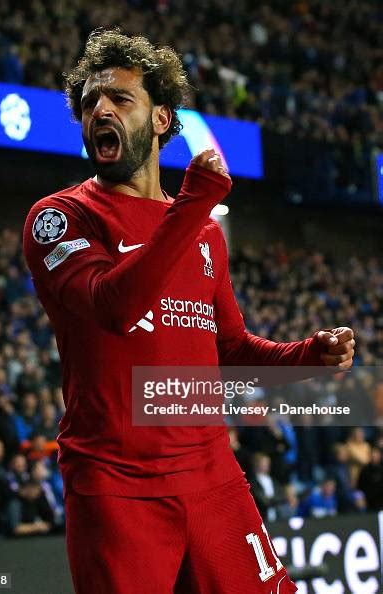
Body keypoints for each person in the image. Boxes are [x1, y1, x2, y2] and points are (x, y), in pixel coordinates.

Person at [23, 28, 355, 594]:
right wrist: (195, 202)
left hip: (211, 477)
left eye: (120, 99)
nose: (99, 109)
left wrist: (308, 357)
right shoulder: (58, 218)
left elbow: (227, 349)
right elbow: (113, 306)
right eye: (89, 103)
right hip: (117, 487)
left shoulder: (203, 233)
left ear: (160, 120)